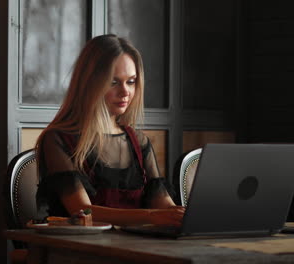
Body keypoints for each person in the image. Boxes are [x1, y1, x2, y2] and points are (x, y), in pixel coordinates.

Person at [35, 34, 184, 227]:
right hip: (81, 251)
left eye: (131, 81)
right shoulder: (58, 139)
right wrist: (150, 216)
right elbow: (83, 211)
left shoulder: (139, 142)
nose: (125, 92)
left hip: (135, 246)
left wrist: (188, 214)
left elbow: (163, 205)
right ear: (89, 83)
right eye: (114, 82)